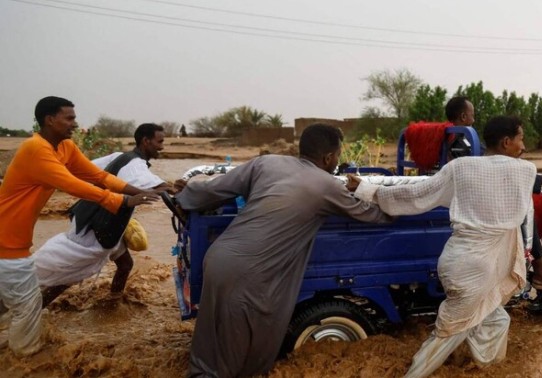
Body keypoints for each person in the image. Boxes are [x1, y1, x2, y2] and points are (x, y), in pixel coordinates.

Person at [176, 123, 391, 378]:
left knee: (212, 337)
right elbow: (372, 215)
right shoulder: (327, 185)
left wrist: (182, 195)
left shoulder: (266, 163)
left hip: (219, 257)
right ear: (328, 157)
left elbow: (215, 189)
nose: (337, 162)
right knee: (241, 351)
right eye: (338, 156)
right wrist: (396, 199)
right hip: (249, 272)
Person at [350, 116, 536, 377]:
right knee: (448, 332)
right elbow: (519, 196)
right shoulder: (526, 170)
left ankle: (487, 369)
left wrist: (370, 190)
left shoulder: (460, 167)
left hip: (458, 261)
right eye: (521, 138)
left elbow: (417, 194)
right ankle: (414, 374)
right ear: (506, 142)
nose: (523, 146)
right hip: (478, 270)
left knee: (496, 319)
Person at [0, 97, 157, 356]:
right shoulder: (36, 150)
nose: (75, 123)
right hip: (6, 244)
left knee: (15, 301)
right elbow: (73, 185)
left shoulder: (65, 147)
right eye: (69, 118)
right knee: (27, 304)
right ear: (50, 120)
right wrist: (123, 201)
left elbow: (99, 176)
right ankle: (25, 357)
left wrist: (138, 191)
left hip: (16, 243)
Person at [34, 123, 175, 307]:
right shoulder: (135, 165)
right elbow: (158, 188)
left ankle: (112, 304)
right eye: (160, 141)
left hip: (94, 218)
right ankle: (35, 309)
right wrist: (181, 189)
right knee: (69, 275)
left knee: (125, 265)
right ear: (146, 141)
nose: (162, 146)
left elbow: (88, 169)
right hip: (95, 228)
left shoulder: (121, 157)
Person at [444, 97, 542, 291]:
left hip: (471, 192)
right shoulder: (465, 141)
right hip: (481, 195)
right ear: (463, 116)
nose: (473, 120)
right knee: (527, 208)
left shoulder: (450, 137)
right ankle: (540, 270)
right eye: (472, 115)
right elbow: (498, 169)